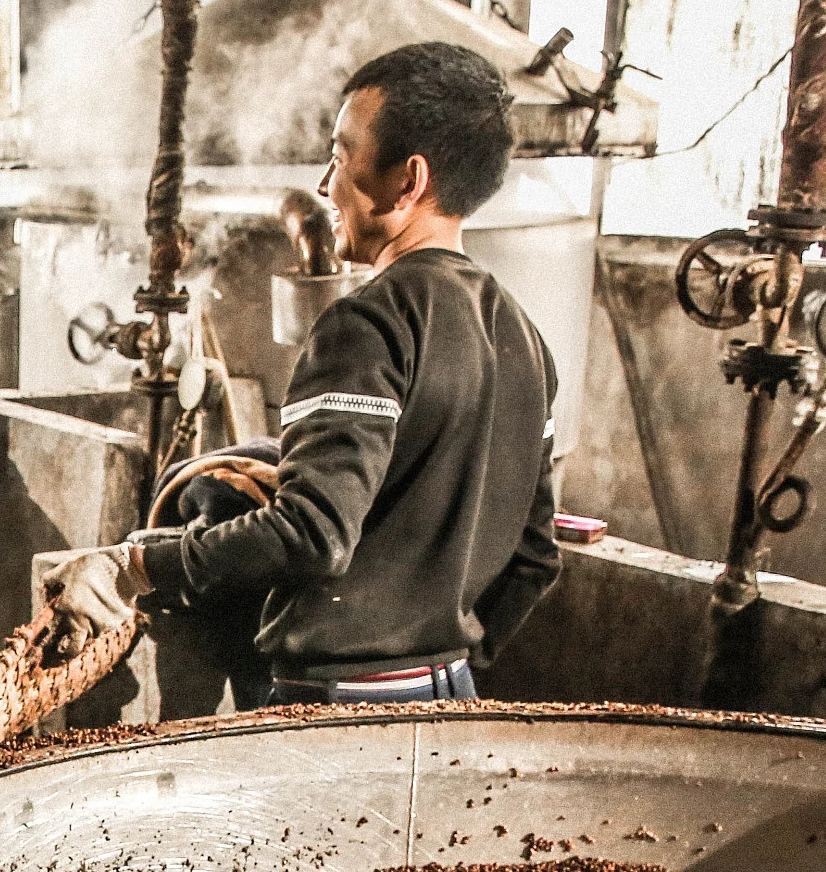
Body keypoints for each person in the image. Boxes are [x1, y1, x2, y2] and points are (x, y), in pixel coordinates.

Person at [44, 41, 561, 705]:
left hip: (338, 700)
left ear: (408, 180)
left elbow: (311, 533)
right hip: (450, 696)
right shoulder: (526, 337)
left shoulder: (367, 325)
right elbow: (537, 556)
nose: (325, 186)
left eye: (341, 156)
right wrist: (446, 656)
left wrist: (133, 565)